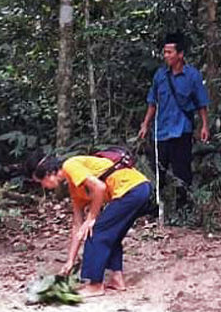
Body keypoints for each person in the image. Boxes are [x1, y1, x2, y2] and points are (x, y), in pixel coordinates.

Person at [26, 152, 151, 297]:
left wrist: (91, 218)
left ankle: (95, 285)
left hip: (132, 189)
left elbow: (99, 187)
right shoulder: (75, 187)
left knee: (95, 231)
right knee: (111, 234)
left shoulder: (70, 165)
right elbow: (77, 225)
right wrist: (70, 261)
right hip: (138, 190)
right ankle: (117, 279)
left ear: (48, 173)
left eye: (40, 182)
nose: (43, 187)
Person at [138, 32, 210, 210]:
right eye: (165, 52)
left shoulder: (192, 76)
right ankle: (157, 207)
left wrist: (204, 125)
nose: (166, 56)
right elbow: (152, 102)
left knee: (182, 171)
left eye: (170, 52)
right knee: (158, 170)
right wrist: (145, 124)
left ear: (180, 54)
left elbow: (201, 103)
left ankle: (183, 207)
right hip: (160, 131)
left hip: (182, 130)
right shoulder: (160, 76)